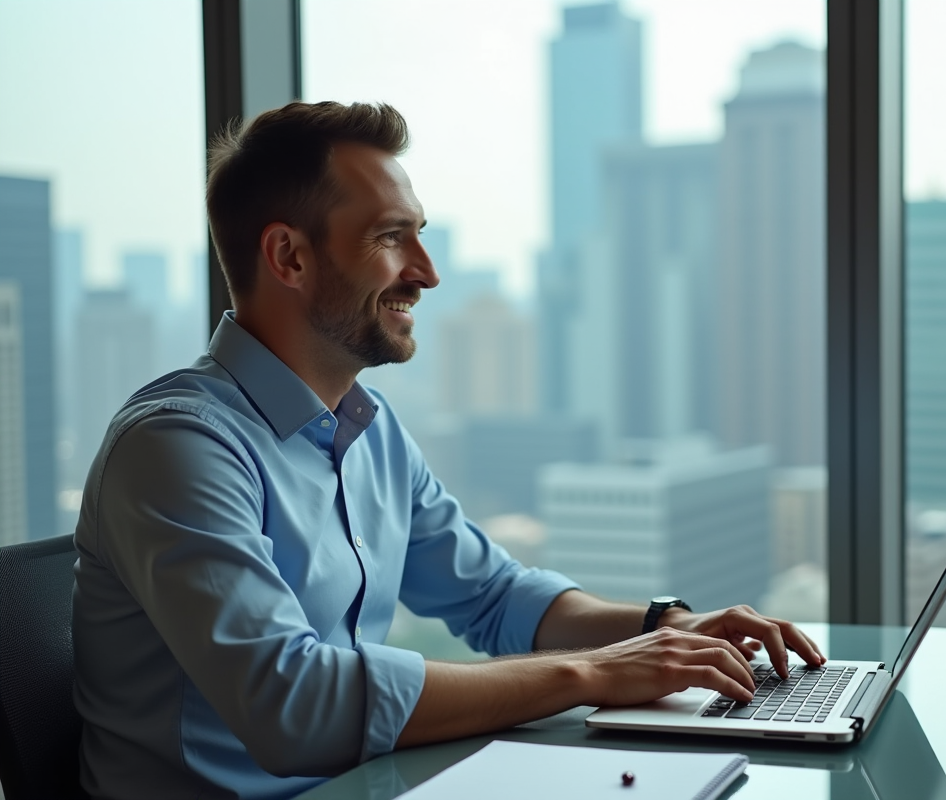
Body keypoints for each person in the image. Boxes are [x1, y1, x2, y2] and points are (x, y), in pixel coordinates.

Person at [72, 100, 824, 800]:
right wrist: (595, 673)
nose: (427, 272)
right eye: (390, 237)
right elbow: (291, 705)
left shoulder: (370, 429)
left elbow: (493, 595)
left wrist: (663, 630)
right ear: (289, 258)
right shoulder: (177, 447)